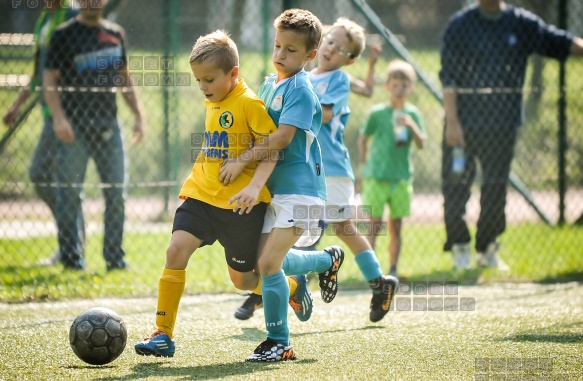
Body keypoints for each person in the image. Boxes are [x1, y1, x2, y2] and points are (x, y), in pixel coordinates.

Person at [134, 29, 341, 361]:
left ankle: (289, 301)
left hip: (262, 200)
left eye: (209, 80)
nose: (203, 87)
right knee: (176, 251)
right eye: (199, 80)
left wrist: (251, 181)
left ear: (232, 74)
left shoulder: (259, 99)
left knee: (249, 278)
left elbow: (277, 143)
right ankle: (163, 334)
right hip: (202, 195)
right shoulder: (253, 88)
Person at [234, 17, 398, 324]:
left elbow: (320, 115)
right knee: (302, 235)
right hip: (305, 170)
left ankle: (375, 283)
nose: (331, 49)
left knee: (337, 229)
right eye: (330, 41)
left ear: (349, 60)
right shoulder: (295, 77)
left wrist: (294, 107)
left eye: (340, 48)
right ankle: (285, 284)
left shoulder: (332, 81)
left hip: (329, 169)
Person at [219, 9, 345, 362]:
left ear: (309, 56)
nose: (280, 55)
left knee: (270, 263)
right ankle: (325, 261)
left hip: (302, 192)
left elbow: (280, 139)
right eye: (277, 45)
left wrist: (242, 161)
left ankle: (279, 341)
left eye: (290, 50)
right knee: (258, 269)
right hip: (271, 192)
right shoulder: (266, 84)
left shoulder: (301, 90)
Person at [439, 0, 583, 270]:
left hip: (503, 126)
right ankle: (459, 248)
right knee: (456, 186)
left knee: (495, 187)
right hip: (463, 125)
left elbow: (558, 41)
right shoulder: (460, 25)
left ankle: (487, 248)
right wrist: (452, 121)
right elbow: (448, 76)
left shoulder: (520, 23)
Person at [43, 0, 145, 271]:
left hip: (109, 127)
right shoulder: (63, 35)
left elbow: (125, 79)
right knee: (70, 195)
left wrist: (139, 116)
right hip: (73, 130)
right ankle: (72, 260)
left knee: (116, 195)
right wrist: (59, 118)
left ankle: (115, 260)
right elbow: (49, 80)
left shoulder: (116, 34)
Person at [3, 2, 83, 266]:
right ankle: (71, 242)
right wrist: (17, 104)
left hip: (68, 112)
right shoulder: (44, 20)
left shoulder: (70, 14)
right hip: (50, 112)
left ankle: (72, 246)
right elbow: (39, 70)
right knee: (54, 179)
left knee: (49, 175)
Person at [358, 59, 426, 279]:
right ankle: (371, 271)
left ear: (411, 88)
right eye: (395, 85)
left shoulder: (412, 114)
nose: (399, 90)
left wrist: (411, 126)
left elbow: (421, 143)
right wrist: (364, 166)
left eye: (404, 86)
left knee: (396, 226)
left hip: (401, 178)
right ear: (387, 86)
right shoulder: (377, 113)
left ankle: (393, 269)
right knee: (374, 225)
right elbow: (363, 139)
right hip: (376, 176)